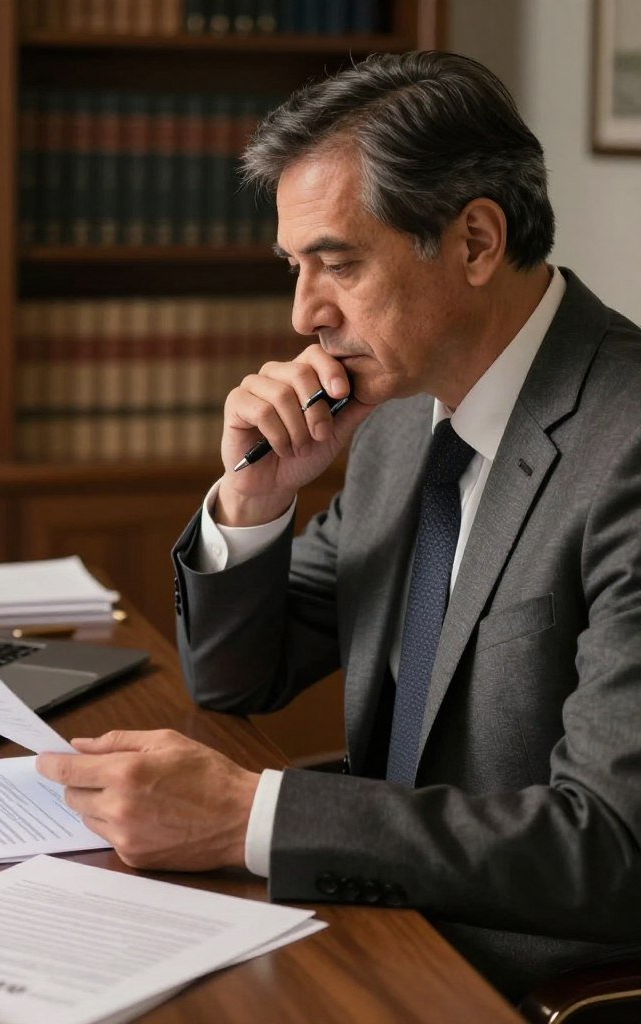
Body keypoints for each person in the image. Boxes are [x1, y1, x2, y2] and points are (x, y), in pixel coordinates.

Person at [37, 50, 641, 1000]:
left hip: (515, 980)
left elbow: (609, 847)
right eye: (295, 267)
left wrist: (249, 814)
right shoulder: (405, 414)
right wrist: (256, 498)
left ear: (477, 242)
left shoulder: (627, 447)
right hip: (372, 922)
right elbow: (239, 678)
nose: (303, 314)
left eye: (339, 264)